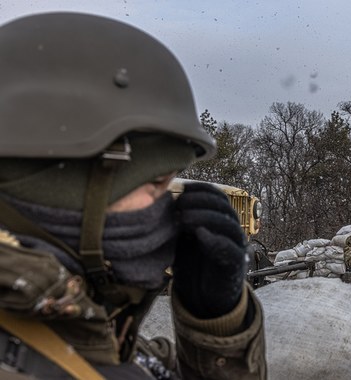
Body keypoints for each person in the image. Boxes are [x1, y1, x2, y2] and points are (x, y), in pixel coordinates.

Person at [0, 12, 265, 379]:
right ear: (59, 188)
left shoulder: (92, 329)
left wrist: (216, 322)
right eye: (156, 183)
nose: (171, 205)